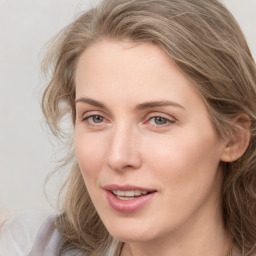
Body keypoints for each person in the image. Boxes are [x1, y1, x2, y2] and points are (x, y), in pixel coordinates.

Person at [1, 0, 256, 255]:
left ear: (233, 138)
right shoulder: (28, 246)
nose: (117, 157)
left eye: (159, 120)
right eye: (96, 118)